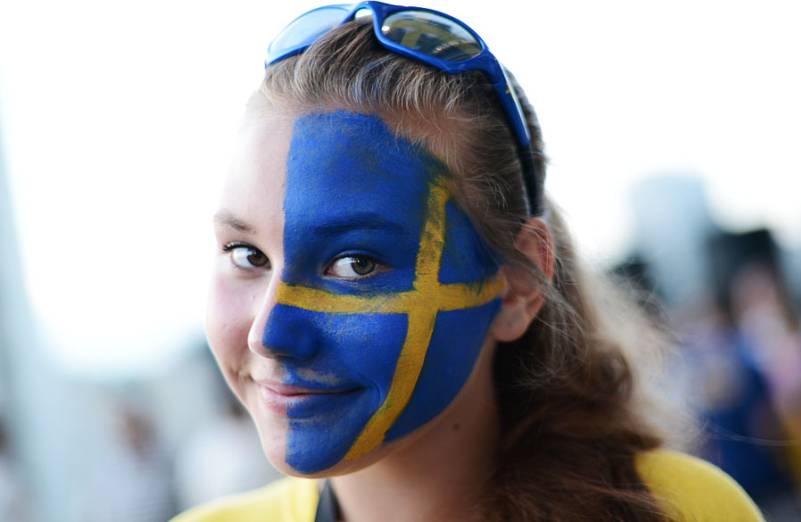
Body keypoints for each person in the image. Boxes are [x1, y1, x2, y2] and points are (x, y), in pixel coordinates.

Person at [173, 3, 763, 521]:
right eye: (246, 255)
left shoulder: (680, 513)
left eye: (355, 264)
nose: (269, 333)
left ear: (517, 284)